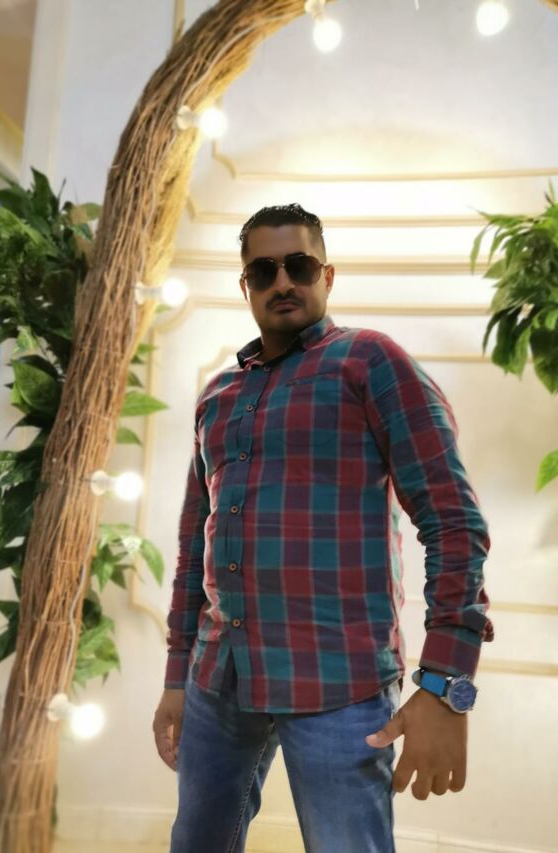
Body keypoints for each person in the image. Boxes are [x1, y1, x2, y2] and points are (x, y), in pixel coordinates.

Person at [153, 203, 494, 853]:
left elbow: (453, 522)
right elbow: (194, 545)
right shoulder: (218, 397)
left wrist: (445, 685)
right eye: (263, 271)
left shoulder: (369, 363)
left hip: (339, 681)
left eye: (299, 266)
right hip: (218, 677)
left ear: (327, 275)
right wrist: (176, 676)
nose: (282, 281)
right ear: (246, 286)